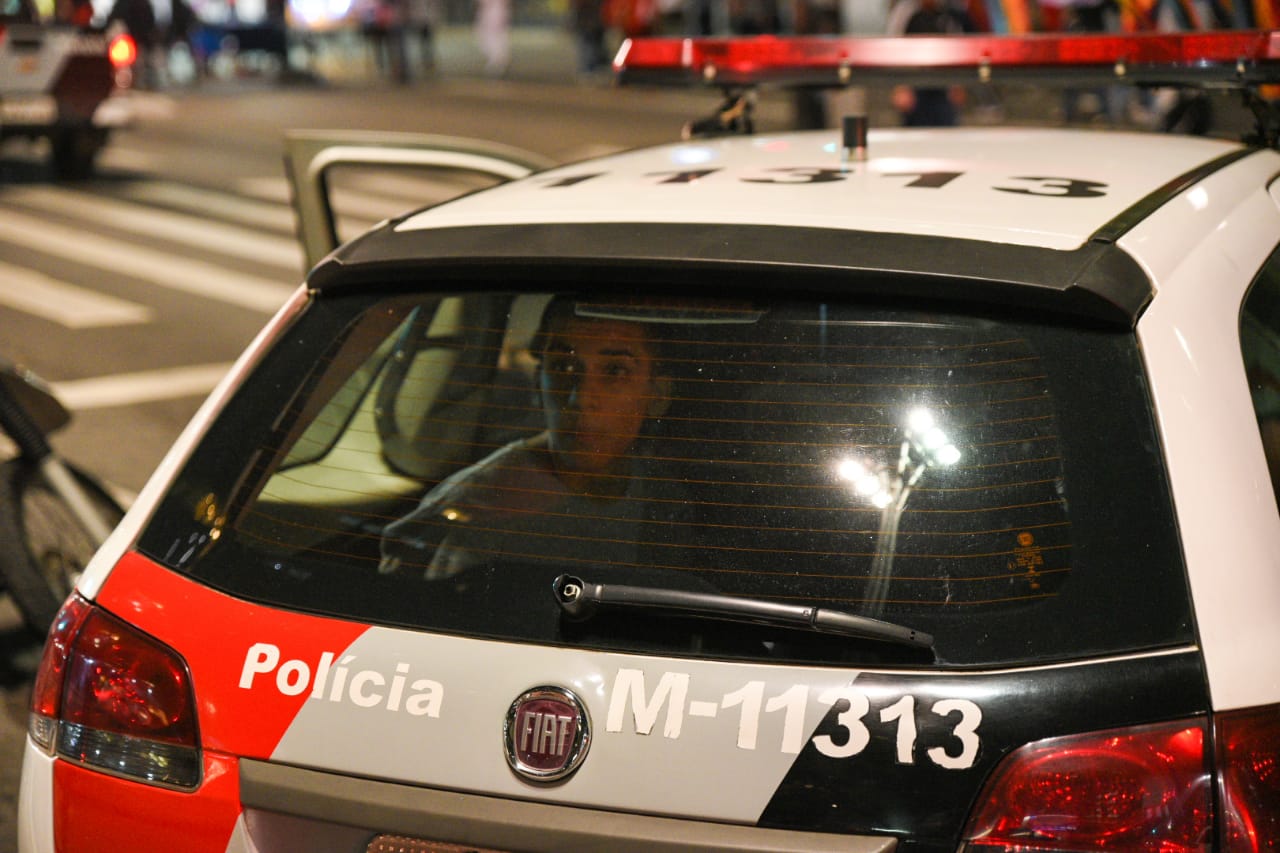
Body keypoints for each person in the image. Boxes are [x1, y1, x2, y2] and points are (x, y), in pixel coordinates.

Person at [379, 299, 671, 579]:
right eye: (563, 367)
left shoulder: (662, 495)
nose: (580, 398)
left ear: (657, 395)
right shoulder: (483, 505)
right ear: (538, 380)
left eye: (615, 371)